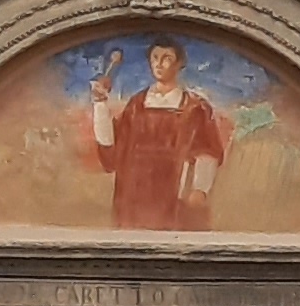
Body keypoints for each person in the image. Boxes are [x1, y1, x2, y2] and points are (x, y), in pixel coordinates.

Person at [81, 40, 232, 231]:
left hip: (173, 195)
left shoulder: (195, 108)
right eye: (155, 58)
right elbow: (112, 145)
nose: (159, 64)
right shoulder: (137, 104)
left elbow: (207, 150)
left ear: (179, 64)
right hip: (133, 195)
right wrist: (100, 104)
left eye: (167, 58)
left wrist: (200, 189)